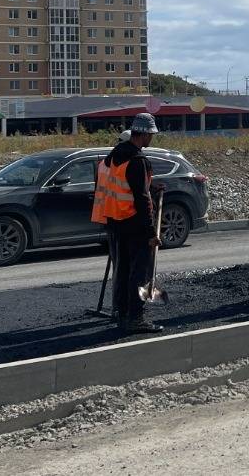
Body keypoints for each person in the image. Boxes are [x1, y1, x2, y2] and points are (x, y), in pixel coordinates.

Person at [92, 112, 164, 334]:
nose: (151, 139)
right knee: (139, 273)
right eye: (150, 135)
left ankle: (123, 315)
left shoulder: (114, 156)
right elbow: (141, 199)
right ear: (142, 134)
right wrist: (151, 232)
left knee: (122, 271)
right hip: (134, 225)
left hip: (115, 222)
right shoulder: (137, 160)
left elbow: (125, 187)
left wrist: (150, 188)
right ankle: (136, 318)